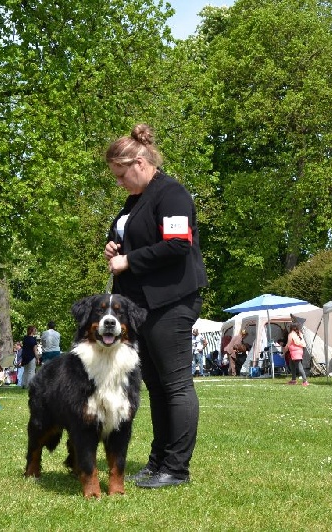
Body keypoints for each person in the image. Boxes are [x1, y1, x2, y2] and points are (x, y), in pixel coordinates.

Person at [104, 123, 207, 489]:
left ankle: (176, 468)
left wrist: (129, 261)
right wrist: (113, 246)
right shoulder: (136, 199)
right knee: (156, 385)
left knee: (175, 384)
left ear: (141, 162)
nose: (119, 182)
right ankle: (158, 462)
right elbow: (131, 234)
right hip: (141, 305)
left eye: (121, 174)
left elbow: (177, 244)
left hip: (171, 301)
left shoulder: (171, 193)